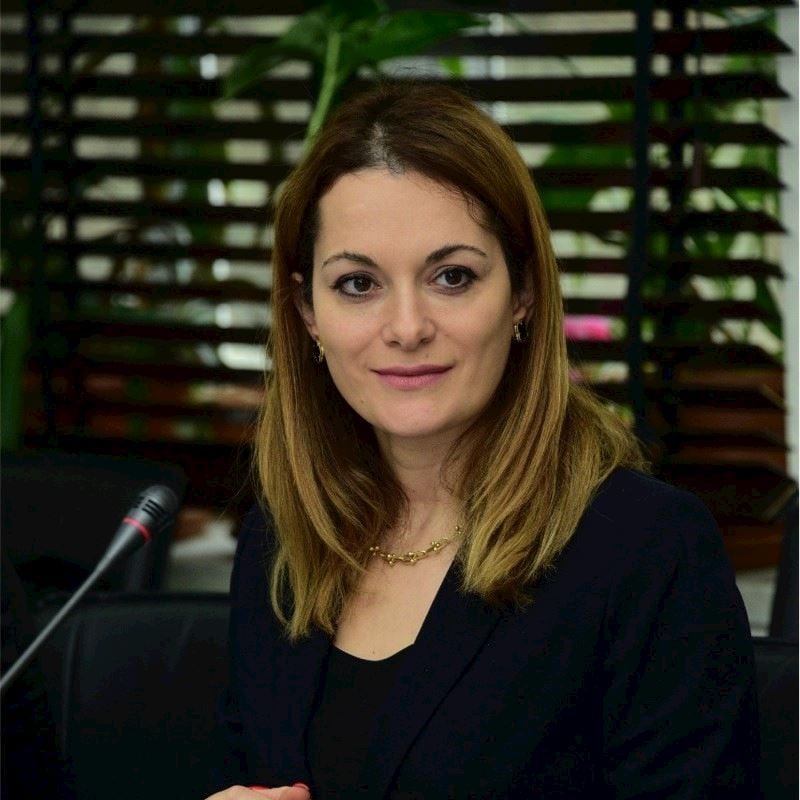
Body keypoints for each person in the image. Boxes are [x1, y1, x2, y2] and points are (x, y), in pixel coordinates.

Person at [206, 82, 758, 800]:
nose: (407, 328)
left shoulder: (648, 549)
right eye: (358, 284)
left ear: (522, 292)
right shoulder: (279, 542)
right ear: (308, 311)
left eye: (452, 276)